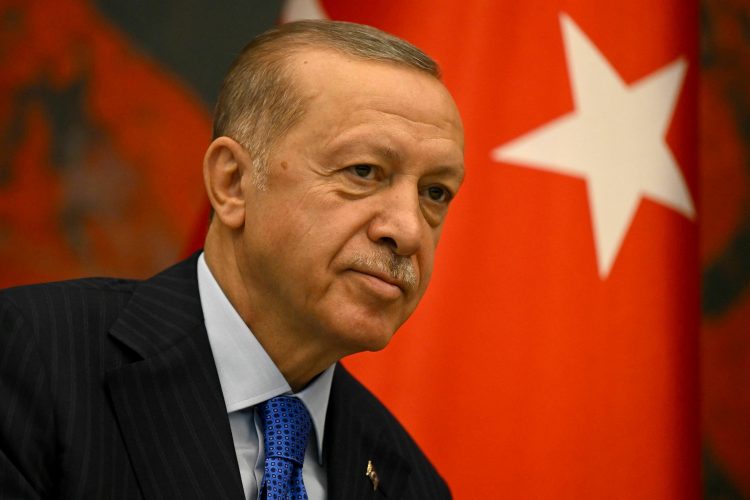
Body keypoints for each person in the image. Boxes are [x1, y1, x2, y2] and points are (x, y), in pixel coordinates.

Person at [0, 19, 464, 499]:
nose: (408, 230)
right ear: (233, 183)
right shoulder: (34, 358)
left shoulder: (412, 483)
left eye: (435, 192)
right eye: (364, 171)